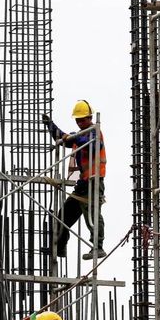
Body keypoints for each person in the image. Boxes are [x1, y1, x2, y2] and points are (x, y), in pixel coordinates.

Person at [43, 99, 106, 260]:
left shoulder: (94, 132)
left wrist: (72, 137)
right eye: (77, 120)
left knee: (92, 215)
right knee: (63, 216)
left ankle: (98, 247)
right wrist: (51, 125)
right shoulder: (79, 135)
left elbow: (91, 145)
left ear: (90, 118)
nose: (79, 122)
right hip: (82, 185)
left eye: (82, 119)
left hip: (94, 182)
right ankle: (59, 246)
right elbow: (64, 139)